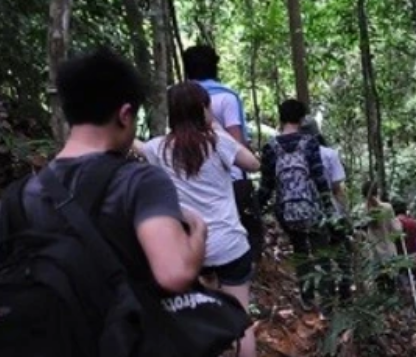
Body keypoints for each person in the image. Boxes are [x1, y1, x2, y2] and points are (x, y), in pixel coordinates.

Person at [0, 48, 207, 354]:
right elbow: (174, 274)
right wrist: (198, 232)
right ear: (125, 115)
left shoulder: (18, 195)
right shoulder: (141, 181)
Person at [137, 82, 260, 357]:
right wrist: (216, 128)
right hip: (229, 243)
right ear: (203, 109)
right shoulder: (218, 142)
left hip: (192, 248)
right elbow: (253, 164)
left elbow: (136, 146)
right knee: (240, 317)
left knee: (203, 316)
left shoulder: (159, 148)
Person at [183, 45, 264, 263]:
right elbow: (235, 141)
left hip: (190, 178)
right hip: (230, 178)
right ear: (215, 67)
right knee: (244, 235)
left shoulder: (178, 96)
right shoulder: (226, 97)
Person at [257, 99, 335, 311]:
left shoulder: (270, 147)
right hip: (312, 207)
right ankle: (327, 302)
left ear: (281, 118)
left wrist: (253, 208)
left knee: (300, 251)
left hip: (286, 210)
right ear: (301, 119)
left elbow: (266, 186)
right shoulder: (309, 142)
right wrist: (330, 208)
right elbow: (319, 178)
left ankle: (307, 299)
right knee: (321, 251)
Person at [301, 117, 352, 302]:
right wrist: (346, 215)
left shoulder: (298, 156)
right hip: (333, 212)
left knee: (322, 258)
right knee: (342, 256)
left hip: (310, 213)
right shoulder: (329, 154)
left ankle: (328, 301)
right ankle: (346, 296)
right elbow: (338, 189)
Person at [361, 181, 401, 293]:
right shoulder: (387, 207)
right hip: (388, 250)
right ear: (377, 191)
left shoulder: (364, 210)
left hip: (374, 253)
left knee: (380, 285)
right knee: (391, 284)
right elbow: (396, 229)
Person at [393, 200, 416, 290]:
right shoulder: (414, 222)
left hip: (402, 260)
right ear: (405, 209)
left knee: (405, 288)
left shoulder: (395, 223)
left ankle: (408, 302)